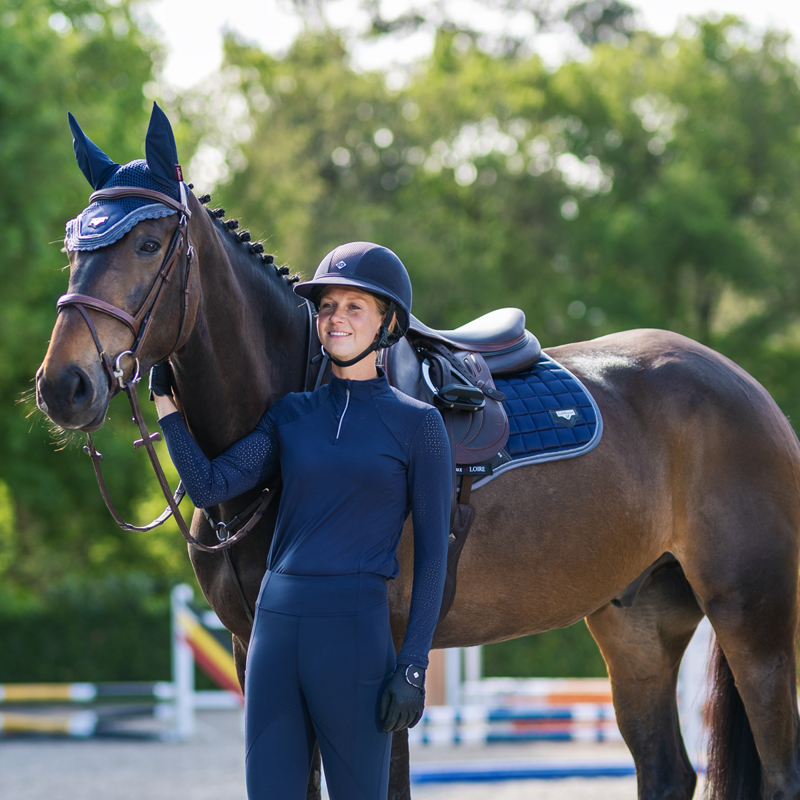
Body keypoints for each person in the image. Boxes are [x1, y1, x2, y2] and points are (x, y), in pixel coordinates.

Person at [151, 242, 451, 799]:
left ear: (388, 322)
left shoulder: (419, 426)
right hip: (275, 630)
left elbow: (433, 555)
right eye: (327, 307)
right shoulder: (291, 414)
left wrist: (413, 665)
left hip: (355, 634)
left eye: (354, 307)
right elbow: (210, 485)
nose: (336, 319)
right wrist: (168, 410)